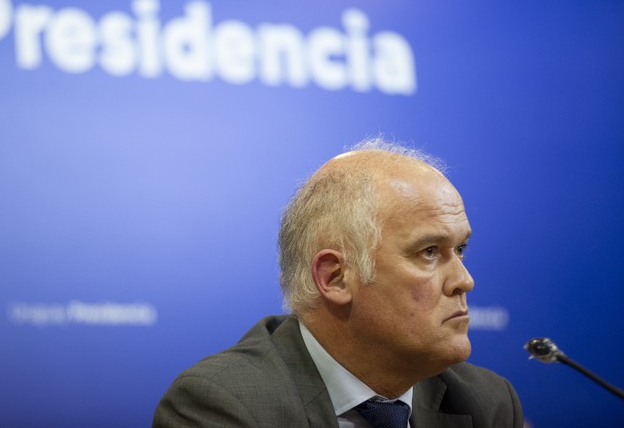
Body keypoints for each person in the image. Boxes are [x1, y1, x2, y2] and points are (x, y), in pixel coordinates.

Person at [154, 138, 523, 427]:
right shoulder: (227, 405)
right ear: (334, 278)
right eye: (429, 251)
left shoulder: (486, 402)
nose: (465, 280)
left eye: (460, 249)